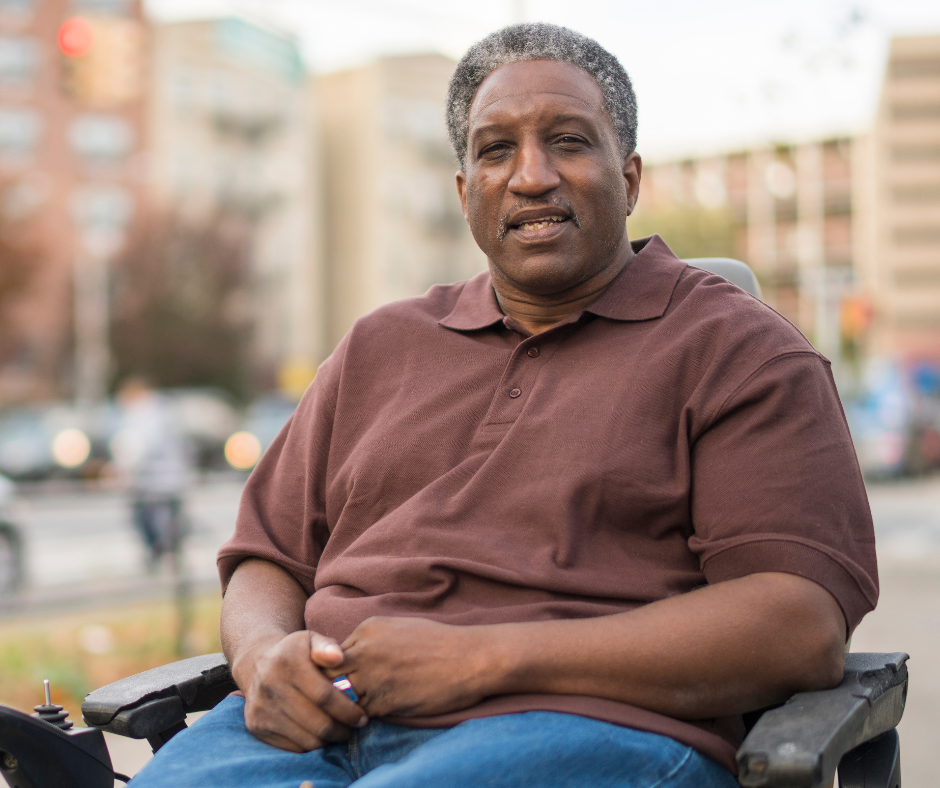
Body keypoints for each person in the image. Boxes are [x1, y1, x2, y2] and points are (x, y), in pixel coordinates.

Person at [130, 23, 877, 788]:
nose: (531, 176)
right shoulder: (379, 347)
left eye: (568, 141)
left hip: (582, 730)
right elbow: (266, 557)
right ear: (465, 193)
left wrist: (484, 658)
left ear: (631, 175)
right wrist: (263, 661)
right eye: (495, 151)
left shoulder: (738, 351)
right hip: (305, 730)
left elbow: (799, 625)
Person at [114, 377, 192, 572]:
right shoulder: (162, 412)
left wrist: (122, 467)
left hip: (156, 480)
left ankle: (163, 554)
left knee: (153, 520)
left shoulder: (146, 414)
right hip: (164, 480)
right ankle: (167, 554)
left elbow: (137, 447)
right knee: (161, 519)